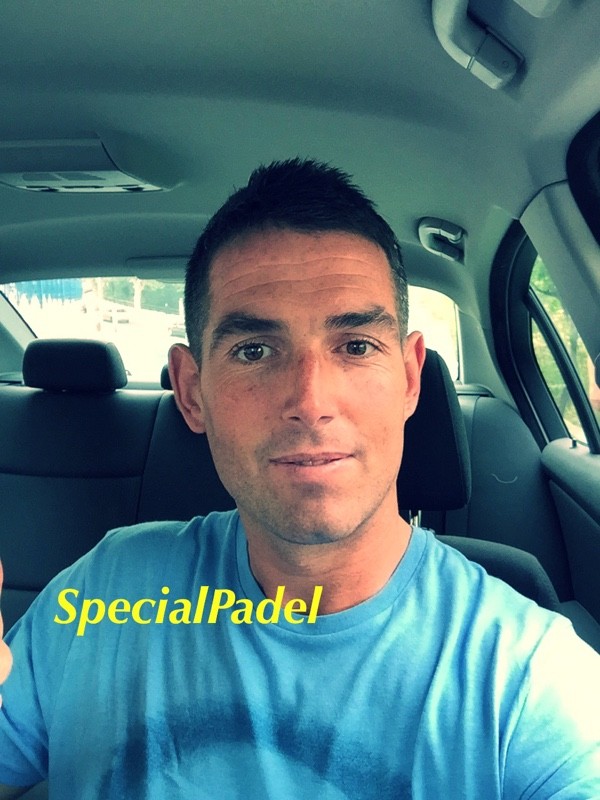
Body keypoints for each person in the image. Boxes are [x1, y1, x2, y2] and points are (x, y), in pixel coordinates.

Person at [0, 159, 599, 798]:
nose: (311, 402)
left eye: (356, 346)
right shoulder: (102, 592)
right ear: (192, 391)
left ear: (409, 377)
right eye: (254, 351)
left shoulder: (528, 678)